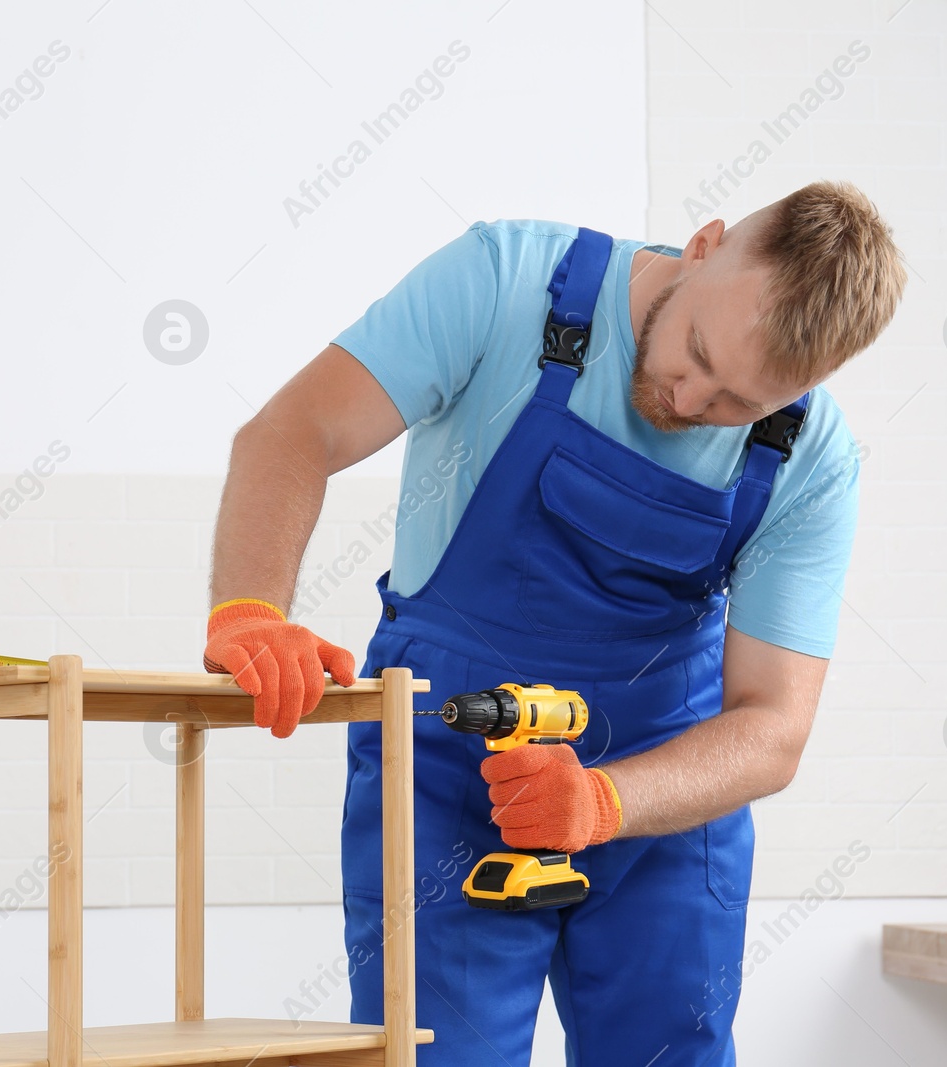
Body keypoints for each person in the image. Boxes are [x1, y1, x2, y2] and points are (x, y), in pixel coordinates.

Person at [203, 180, 906, 1066]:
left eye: (738, 402)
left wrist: (604, 800)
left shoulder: (811, 456)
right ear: (703, 244)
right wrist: (252, 605)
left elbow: (772, 727)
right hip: (450, 770)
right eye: (695, 354)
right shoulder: (507, 282)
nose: (692, 404)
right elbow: (294, 429)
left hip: (659, 800)